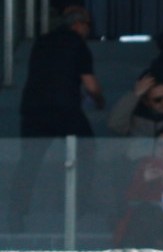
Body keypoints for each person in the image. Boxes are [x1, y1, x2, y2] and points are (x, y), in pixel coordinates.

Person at [13, 5, 102, 228]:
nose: (88, 30)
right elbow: (91, 86)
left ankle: (17, 213)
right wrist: (100, 101)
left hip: (34, 108)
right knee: (86, 151)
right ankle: (77, 207)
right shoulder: (77, 44)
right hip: (65, 110)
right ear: (78, 24)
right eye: (87, 25)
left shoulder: (42, 41)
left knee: (29, 163)